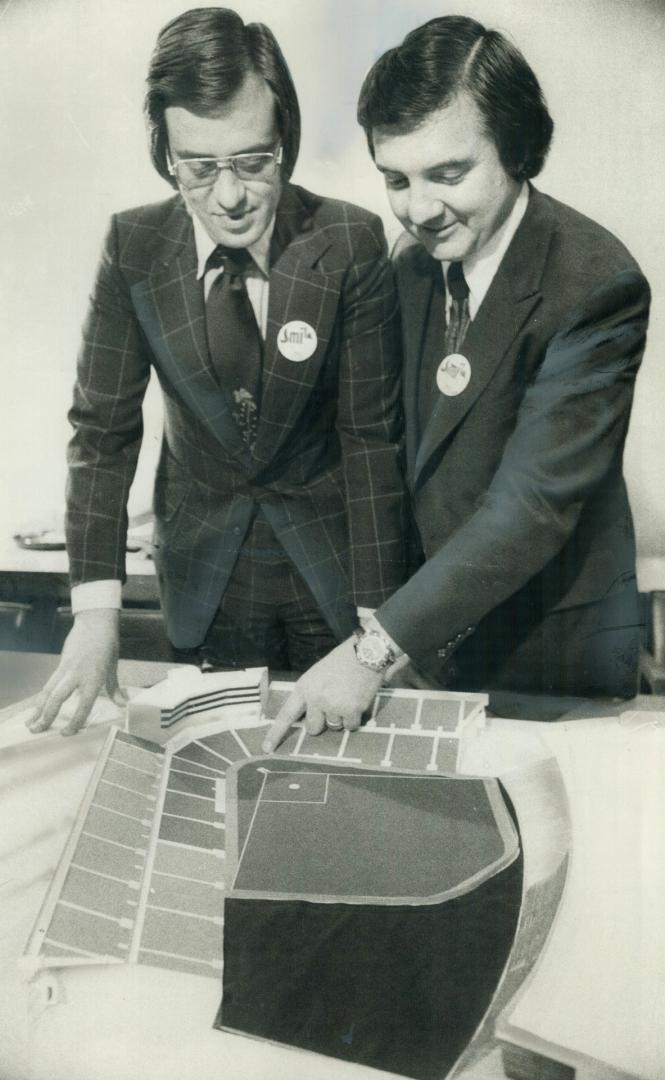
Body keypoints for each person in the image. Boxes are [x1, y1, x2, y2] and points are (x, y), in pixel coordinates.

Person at [264, 14, 650, 750]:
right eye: (395, 180)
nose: (417, 209)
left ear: (514, 145)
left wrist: (375, 650)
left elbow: (530, 507)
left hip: (549, 657)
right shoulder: (409, 266)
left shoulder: (596, 283)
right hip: (426, 649)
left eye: (447, 174)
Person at [27, 7, 406, 736]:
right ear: (165, 153)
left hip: (335, 571)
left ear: (285, 142)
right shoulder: (132, 246)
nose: (228, 197)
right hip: (204, 576)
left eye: (252, 162)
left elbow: (372, 442)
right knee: (215, 775)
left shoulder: (350, 241)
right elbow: (101, 433)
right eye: (198, 169)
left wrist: (375, 632)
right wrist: (94, 612)